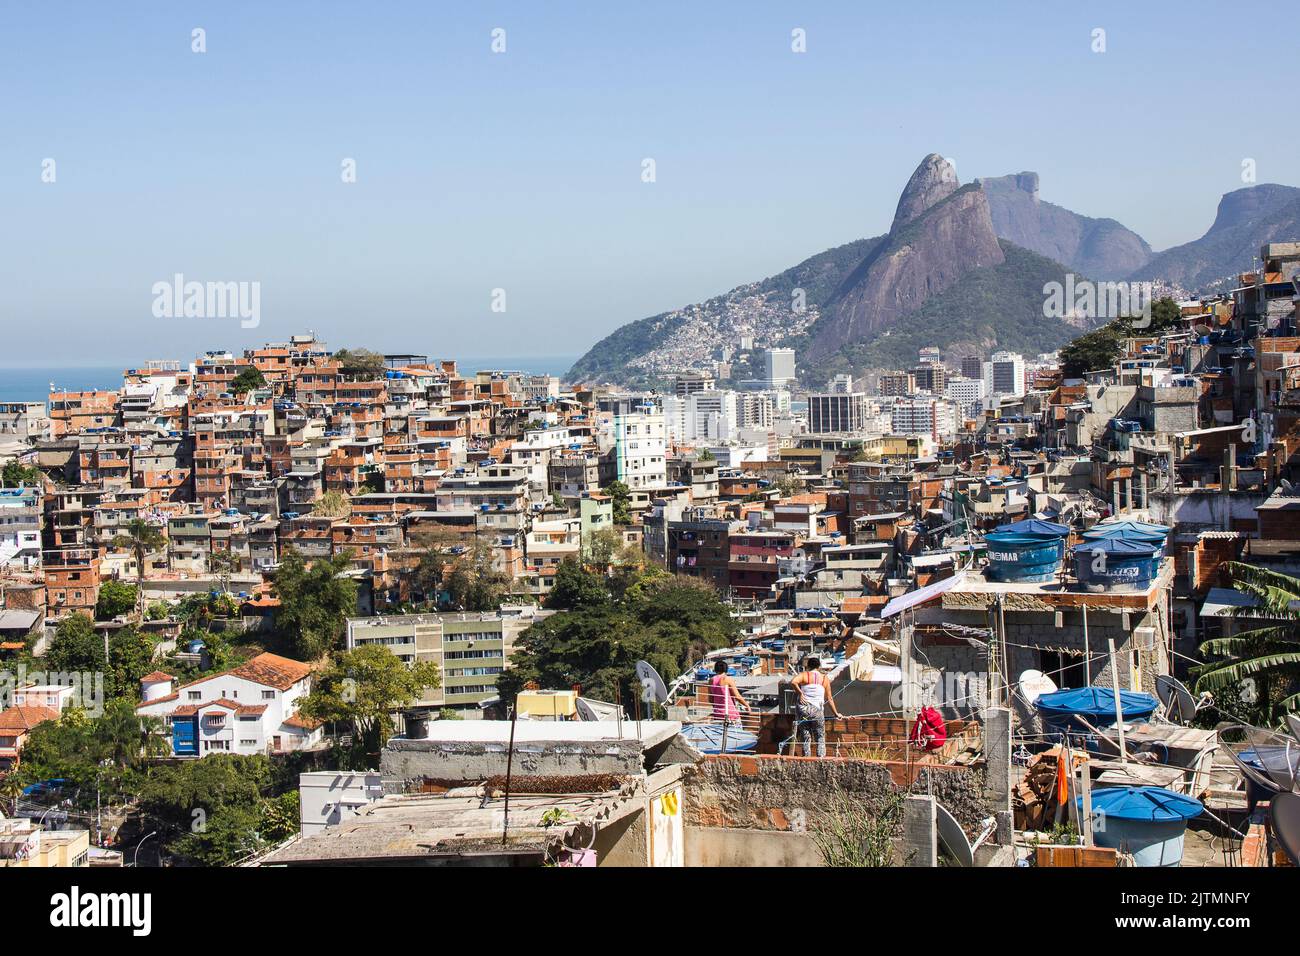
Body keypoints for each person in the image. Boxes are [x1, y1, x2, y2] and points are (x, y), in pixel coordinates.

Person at [792, 657, 839, 757]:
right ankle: (820, 760)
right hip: (817, 711)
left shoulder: (804, 675)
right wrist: (836, 713)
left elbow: (793, 682)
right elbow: (829, 698)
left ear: (808, 666)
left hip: (803, 710)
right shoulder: (824, 679)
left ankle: (806, 759)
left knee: (806, 737)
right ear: (819, 666)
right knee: (820, 737)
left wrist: (800, 693)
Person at [708, 659, 750, 724]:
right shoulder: (728, 679)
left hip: (718, 715)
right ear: (726, 669)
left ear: (715, 669)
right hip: (731, 715)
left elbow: (711, 700)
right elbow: (737, 696)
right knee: (736, 733)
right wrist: (747, 706)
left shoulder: (711, 680)